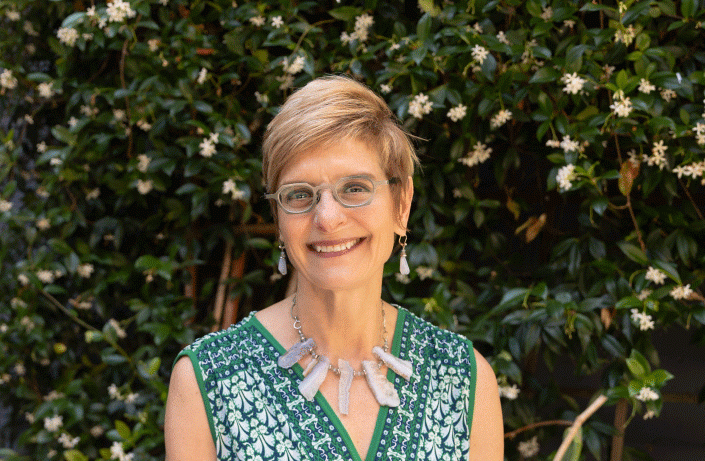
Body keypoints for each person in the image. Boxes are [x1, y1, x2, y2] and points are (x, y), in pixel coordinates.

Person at [164, 76, 504, 461]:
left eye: (355, 188)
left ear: (402, 204)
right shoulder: (208, 381)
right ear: (278, 218)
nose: (327, 218)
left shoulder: (462, 379)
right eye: (299, 194)